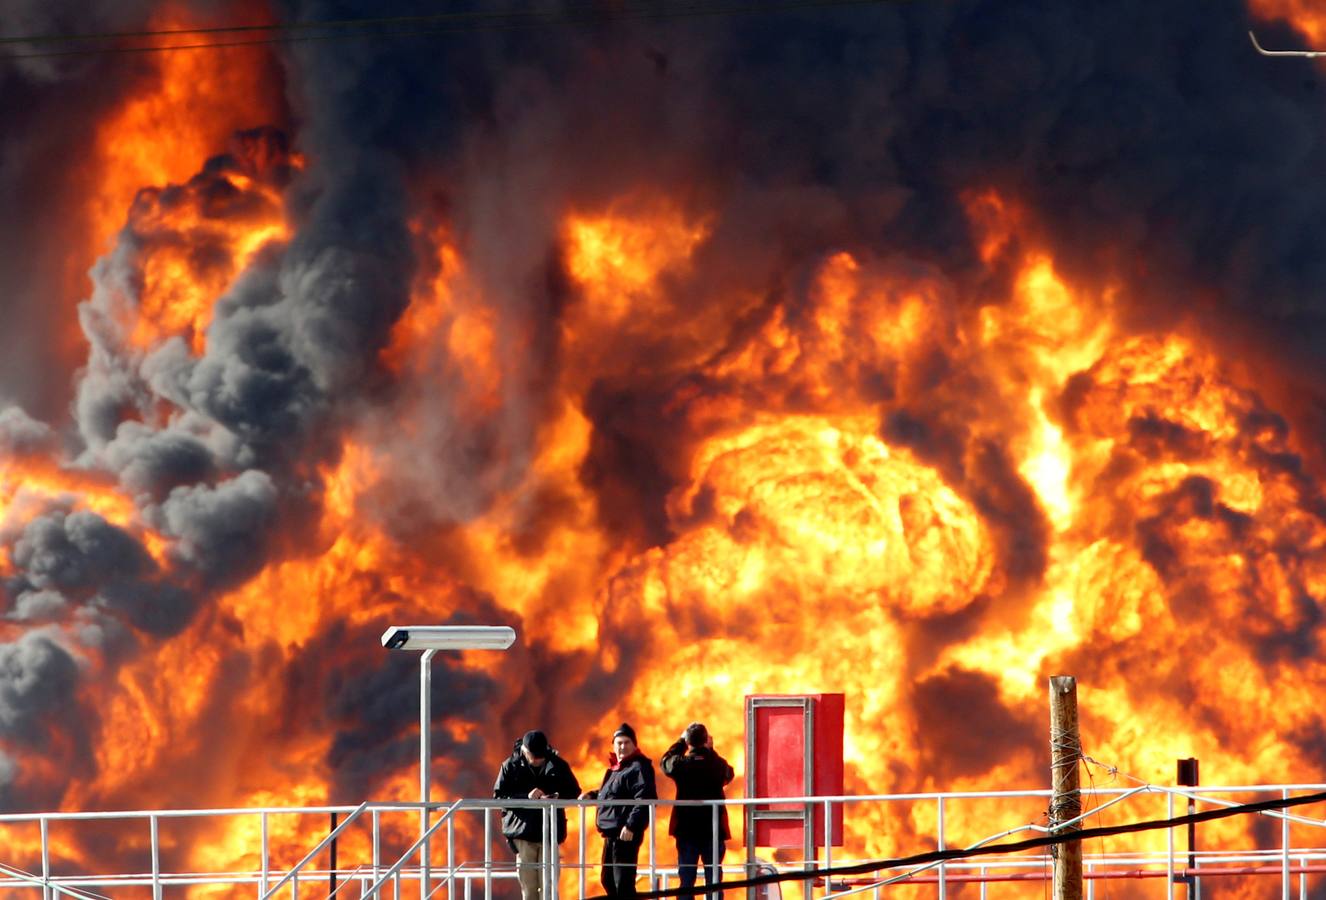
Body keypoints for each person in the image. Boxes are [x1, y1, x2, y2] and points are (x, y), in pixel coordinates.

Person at [493, 730, 582, 900]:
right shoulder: (510, 766)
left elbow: (574, 790)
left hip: (550, 833)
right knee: (529, 888)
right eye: (534, 756)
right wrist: (526, 797)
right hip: (523, 834)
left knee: (549, 886)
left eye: (541, 756)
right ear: (525, 751)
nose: (538, 760)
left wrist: (556, 796)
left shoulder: (557, 764)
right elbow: (499, 797)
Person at [580, 723, 657, 900]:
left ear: (634, 745)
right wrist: (592, 796)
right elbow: (610, 794)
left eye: (626, 742)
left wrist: (631, 826)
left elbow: (644, 798)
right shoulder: (618, 768)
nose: (622, 747)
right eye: (619, 743)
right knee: (608, 880)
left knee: (623, 884)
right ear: (613, 745)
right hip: (611, 834)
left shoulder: (639, 767)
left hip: (624, 834)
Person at [662, 723, 734, 897]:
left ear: (689, 741)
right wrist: (711, 750)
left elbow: (665, 762)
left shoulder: (680, 764)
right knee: (714, 881)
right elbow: (729, 774)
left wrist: (680, 742)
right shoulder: (717, 764)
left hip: (687, 831)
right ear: (705, 740)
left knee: (686, 881)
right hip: (713, 831)